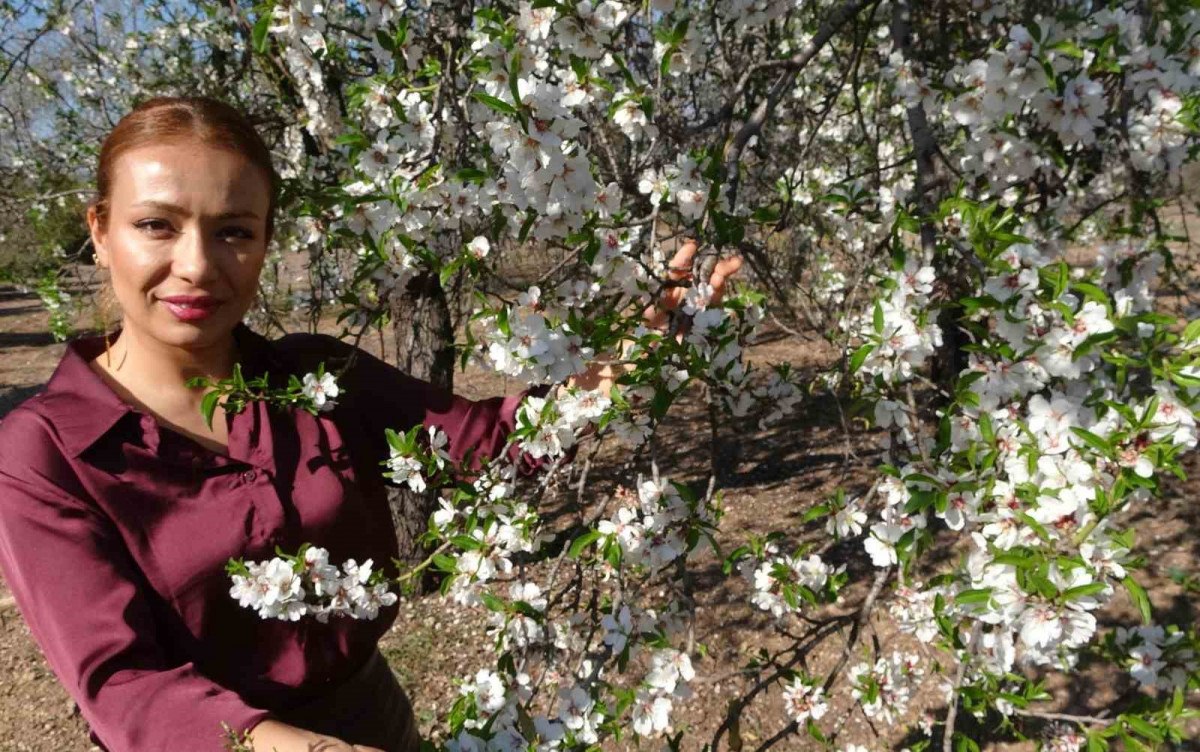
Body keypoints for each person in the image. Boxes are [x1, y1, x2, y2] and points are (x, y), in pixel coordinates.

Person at [0, 97, 743, 752]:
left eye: (234, 231)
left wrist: (611, 375)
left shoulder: (317, 378)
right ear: (99, 231)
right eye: (156, 225)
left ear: (264, 241)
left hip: (370, 716)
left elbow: (484, 447)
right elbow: (123, 682)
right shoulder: (47, 451)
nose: (196, 265)